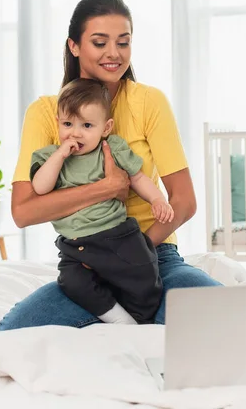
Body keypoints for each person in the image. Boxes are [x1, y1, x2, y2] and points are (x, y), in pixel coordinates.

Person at [0, 0, 221, 331]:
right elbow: (23, 211)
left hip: (153, 254)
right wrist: (106, 188)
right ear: (74, 46)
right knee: (14, 332)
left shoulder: (148, 101)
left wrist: (131, 256)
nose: (114, 54)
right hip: (85, 262)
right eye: (99, 43)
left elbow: (184, 202)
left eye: (123, 42)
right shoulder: (46, 113)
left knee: (225, 316)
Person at [31, 77, 174, 325]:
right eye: (67, 123)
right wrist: (60, 154)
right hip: (77, 244)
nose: (75, 132)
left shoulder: (112, 149)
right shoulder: (50, 157)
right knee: (71, 281)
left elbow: (138, 177)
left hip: (115, 235)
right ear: (57, 124)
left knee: (144, 270)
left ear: (105, 128)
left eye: (87, 125)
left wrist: (158, 199)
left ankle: (142, 316)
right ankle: (117, 319)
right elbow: (40, 187)